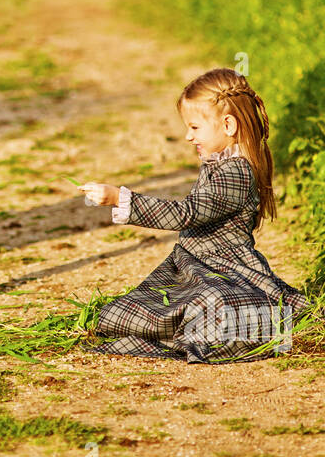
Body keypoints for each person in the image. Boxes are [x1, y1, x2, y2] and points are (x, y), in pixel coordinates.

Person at [78, 68, 309, 362]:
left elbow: (187, 213)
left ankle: (256, 324)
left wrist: (121, 199)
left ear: (228, 125)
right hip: (191, 267)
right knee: (118, 314)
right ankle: (191, 326)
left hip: (226, 269)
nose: (188, 136)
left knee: (212, 304)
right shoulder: (217, 164)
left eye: (195, 128)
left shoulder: (236, 172)